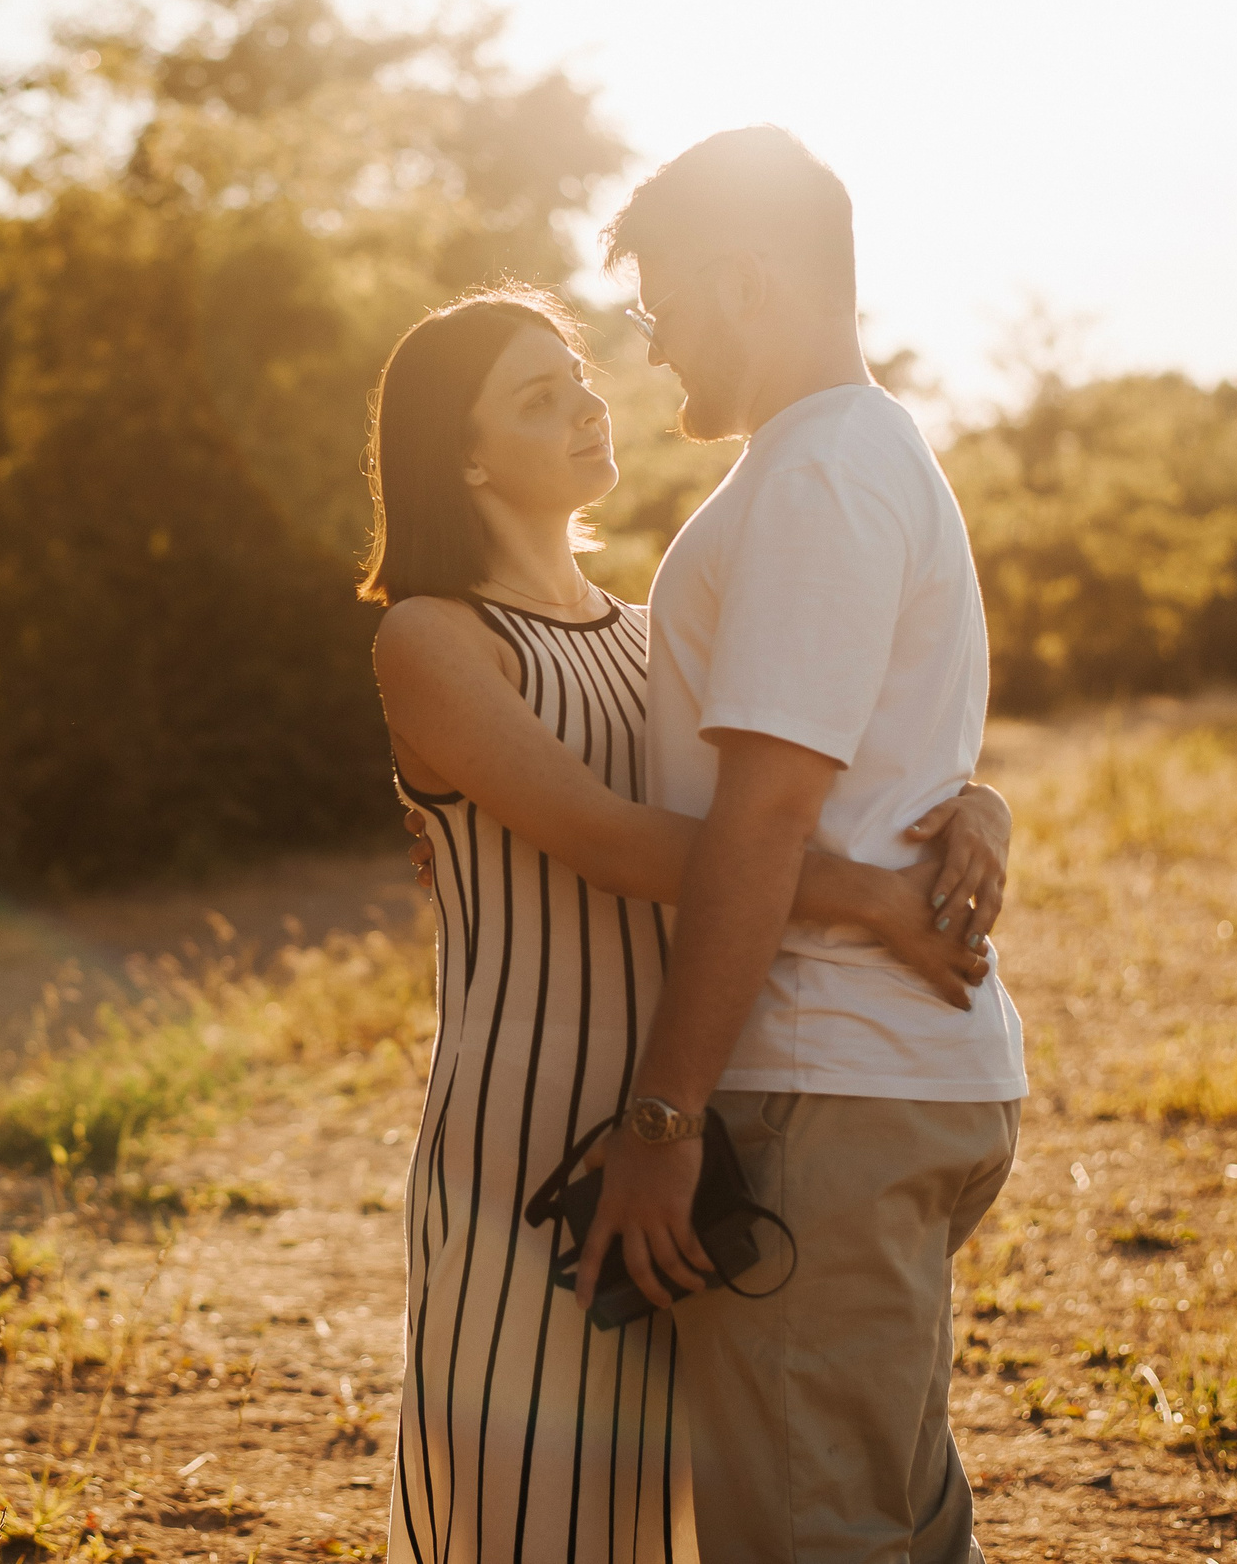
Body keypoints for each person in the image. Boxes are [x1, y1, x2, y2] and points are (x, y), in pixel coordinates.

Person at [364, 282, 1014, 1564]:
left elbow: (822, 759)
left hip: (693, 1096)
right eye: (537, 398)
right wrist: (872, 897)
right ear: (466, 454)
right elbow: (612, 838)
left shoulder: (652, 632)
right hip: (527, 1119)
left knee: (679, 1503)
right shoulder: (431, 641)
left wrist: (977, 800)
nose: (590, 403)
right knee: (526, 1509)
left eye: (580, 376)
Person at [572, 127, 1026, 1564]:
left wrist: (662, 1120)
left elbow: (763, 816)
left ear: (747, 280)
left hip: (825, 1083)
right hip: (886, 1083)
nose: (654, 352)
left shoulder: (819, 475)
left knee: (815, 1536)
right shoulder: (860, 457)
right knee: (883, 1514)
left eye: (659, 309)